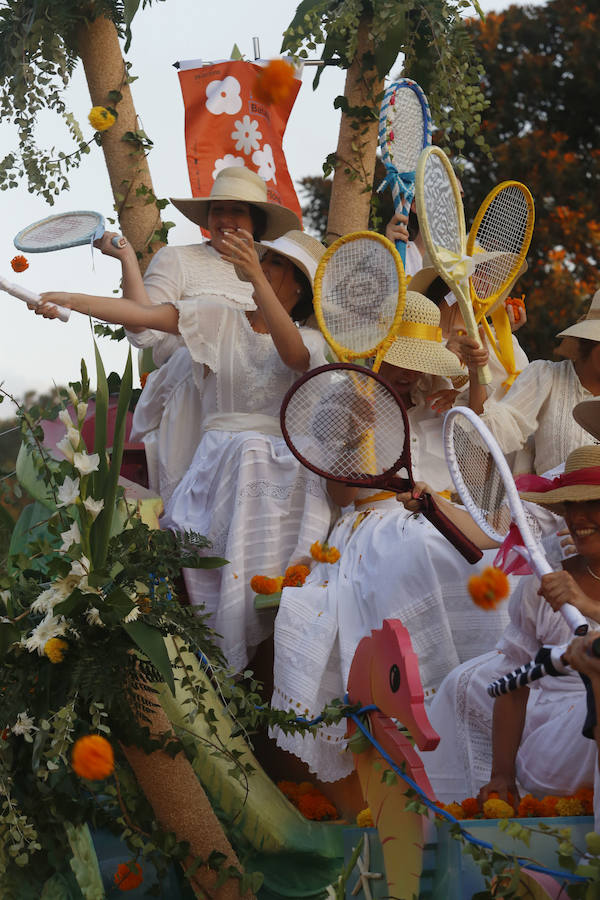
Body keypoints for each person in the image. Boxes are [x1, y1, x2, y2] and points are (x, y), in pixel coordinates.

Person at [36, 229, 333, 674]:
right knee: (241, 456)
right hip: (215, 474)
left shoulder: (311, 342)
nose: (261, 268)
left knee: (252, 451)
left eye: (273, 265)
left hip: (279, 479)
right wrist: (69, 299)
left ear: (297, 286)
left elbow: (291, 356)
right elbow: (142, 314)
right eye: (262, 261)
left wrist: (252, 274)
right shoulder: (218, 317)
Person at [270, 291, 514, 784]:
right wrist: (352, 428)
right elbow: (340, 495)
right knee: (420, 549)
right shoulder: (346, 403)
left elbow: (479, 474)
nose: (407, 374)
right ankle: (422, 702)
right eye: (397, 361)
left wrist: (469, 395)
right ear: (375, 353)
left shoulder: (441, 404)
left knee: (495, 564)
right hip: (376, 525)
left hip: (445, 514)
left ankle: (483, 703)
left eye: (416, 363)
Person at [421, 444, 600, 805]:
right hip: (556, 746)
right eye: (570, 506)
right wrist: (502, 776)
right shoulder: (543, 586)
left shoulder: (568, 593)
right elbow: (511, 686)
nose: (577, 518)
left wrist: (586, 606)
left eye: (593, 503)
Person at [472, 290, 600, 474]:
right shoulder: (546, 377)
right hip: (545, 501)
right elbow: (488, 435)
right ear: (590, 341)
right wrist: (476, 371)